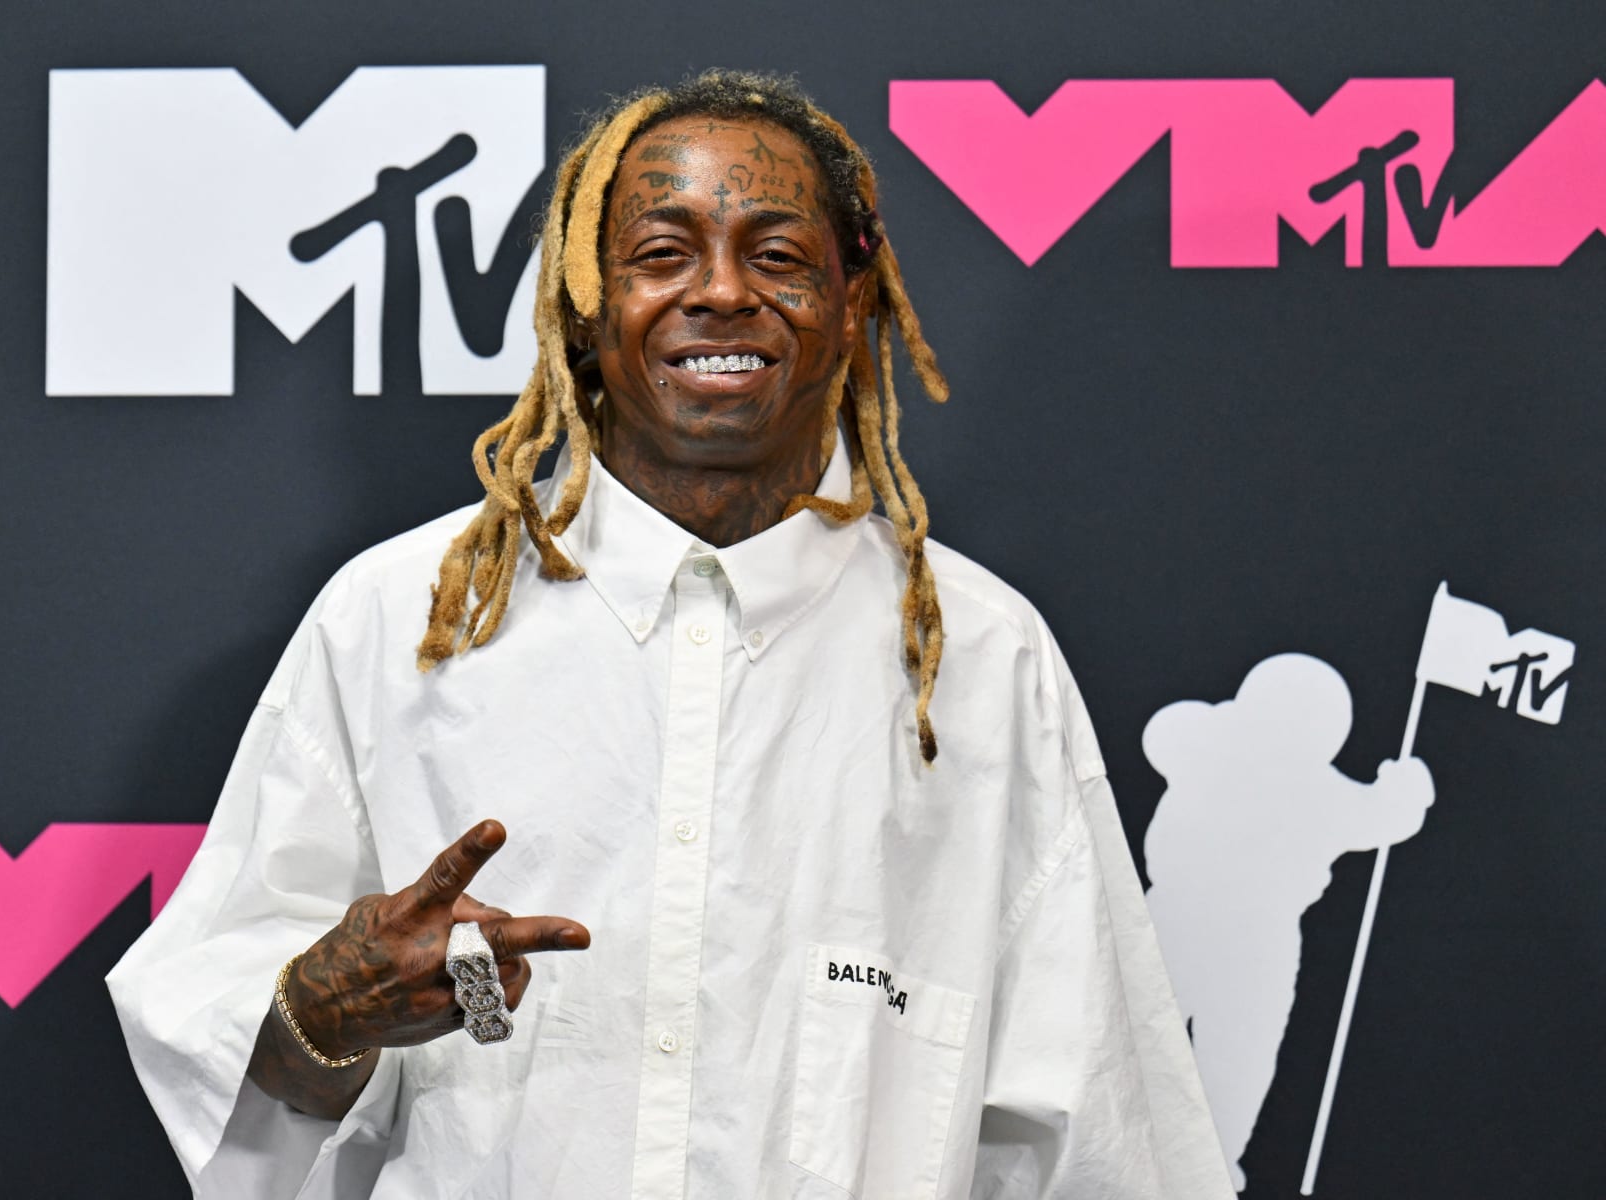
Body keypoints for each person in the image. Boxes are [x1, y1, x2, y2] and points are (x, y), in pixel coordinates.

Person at [108, 70, 1234, 1198]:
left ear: (854, 305)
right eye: (662, 255)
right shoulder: (403, 619)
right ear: (585, 314)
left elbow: (1098, 1138)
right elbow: (234, 1060)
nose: (723, 294)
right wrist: (321, 1014)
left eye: (780, 256)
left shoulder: (980, 659)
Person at [1142, 653, 1436, 1190]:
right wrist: (1404, 792)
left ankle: (1208, 1162)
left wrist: (1406, 792)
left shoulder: (1309, 785)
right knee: (1144, 1029)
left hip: (1251, 935)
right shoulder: (1216, 745)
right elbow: (1162, 735)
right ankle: (1167, 1148)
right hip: (1186, 916)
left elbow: (1382, 817)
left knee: (1234, 1056)